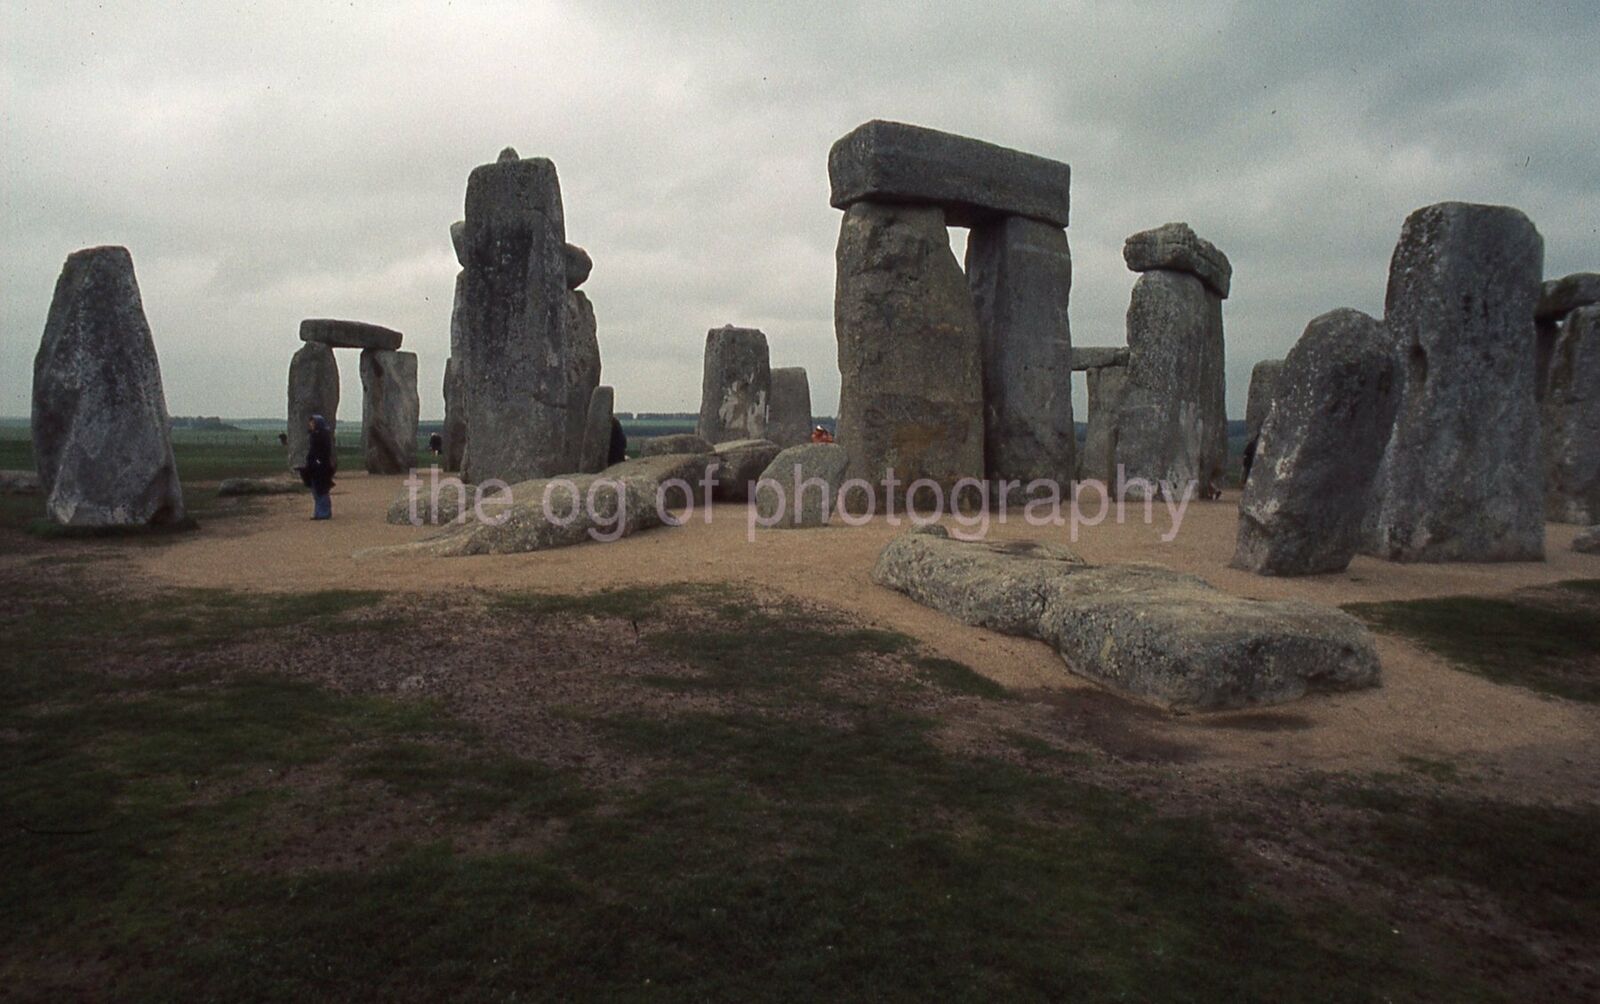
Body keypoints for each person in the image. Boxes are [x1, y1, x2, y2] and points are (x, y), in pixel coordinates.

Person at [299, 414, 336, 520]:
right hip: (315, 466)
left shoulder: (322, 435)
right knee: (316, 490)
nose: (310, 424)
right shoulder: (315, 435)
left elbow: (323, 452)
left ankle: (324, 513)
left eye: (313, 422)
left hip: (321, 467)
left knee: (321, 489)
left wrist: (318, 461)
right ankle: (319, 512)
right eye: (310, 422)